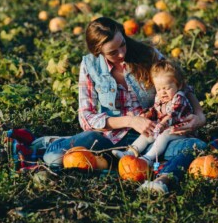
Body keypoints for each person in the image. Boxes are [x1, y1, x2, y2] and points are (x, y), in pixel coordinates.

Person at [43, 16, 206, 194]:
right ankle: (60, 143)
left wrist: (199, 116)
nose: (121, 53)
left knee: (195, 147)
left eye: (123, 44)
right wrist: (131, 121)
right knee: (53, 157)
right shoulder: (90, 66)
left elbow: (182, 85)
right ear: (98, 52)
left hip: (152, 136)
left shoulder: (147, 54)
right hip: (109, 137)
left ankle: (162, 180)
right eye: (113, 52)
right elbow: (86, 117)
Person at [111, 60, 193, 168]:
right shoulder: (160, 97)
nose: (162, 92)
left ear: (178, 85)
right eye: (158, 89)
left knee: (164, 136)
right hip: (164, 127)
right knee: (147, 134)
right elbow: (155, 110)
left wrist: (163, 124)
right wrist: (146, 115)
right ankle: (130, 152)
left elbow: (173, 114)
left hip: (180, 130)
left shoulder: (179, 98)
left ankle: (148, 158)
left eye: (167, 88)